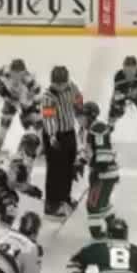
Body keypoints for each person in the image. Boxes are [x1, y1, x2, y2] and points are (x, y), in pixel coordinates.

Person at [39, 66, 85, 218]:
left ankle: (65, 199)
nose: (59, 86)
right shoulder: (48, 97)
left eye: (62, 83)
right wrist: (52, 136)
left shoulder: (72, 87)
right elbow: (49, 118)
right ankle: (52, 204)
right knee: (55, 170)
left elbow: (78, 100)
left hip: (69, 133)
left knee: (68, 168)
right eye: (56, 84)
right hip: (54, 136)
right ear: (52, 82)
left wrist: (80, 113)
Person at [80, 102, 122, 240]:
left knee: (93, 205)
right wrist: (81, 163)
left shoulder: (97, 127)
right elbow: (92, 153)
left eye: (82, 116)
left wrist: (99, 169)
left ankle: (97, 236)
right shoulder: (91, 129)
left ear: (90, 116)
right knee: (102, 204)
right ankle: (114, 228)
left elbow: (102, 151)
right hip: (104, 173)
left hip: (104, 174)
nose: (79, 119)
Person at [0, 58, 40, 155]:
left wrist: (29, 97)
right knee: (5, 123)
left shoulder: (28, 79)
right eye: (15, 74)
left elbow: (37, 91)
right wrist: (5, 95)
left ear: (24, 73)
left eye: (20, 75)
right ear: (11, 71)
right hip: (11, 99)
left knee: (32, 124)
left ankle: (39, 145)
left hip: (26, 101)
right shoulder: (3, 73)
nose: (17, 77)